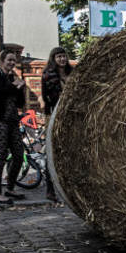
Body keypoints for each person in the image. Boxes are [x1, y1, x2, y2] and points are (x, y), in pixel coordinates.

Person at [0, 50, 27, 204]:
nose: (12, 63)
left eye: (14, 61)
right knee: (1, 156)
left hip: (13, 122)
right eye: (9, 60)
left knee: (18, 153)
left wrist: (20, 89)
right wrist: (12, 86)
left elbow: (19, 103)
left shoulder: (12, 78)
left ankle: (10, 187)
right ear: (3, 60)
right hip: (0, 122)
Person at [40, 46, 73, 202]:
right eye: (59, 56)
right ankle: (50, 189)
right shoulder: (48, 76)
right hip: (54, 115)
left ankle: (69, 187)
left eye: (64, 56)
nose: (62, 59)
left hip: (70, 116)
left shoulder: (72, 75)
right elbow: (47, 97)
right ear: (53, 59)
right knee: (52, 152)